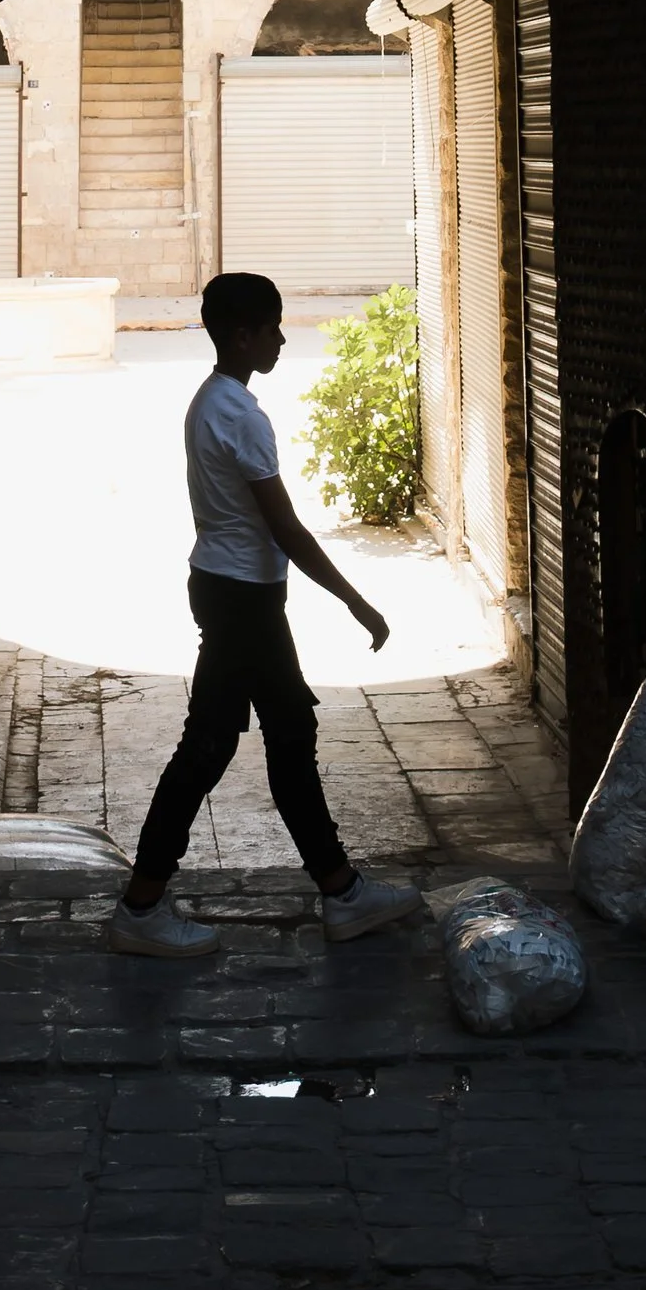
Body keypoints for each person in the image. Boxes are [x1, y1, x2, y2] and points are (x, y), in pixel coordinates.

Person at [109, 270, 423, 960]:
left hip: (230, 590)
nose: (282, 339)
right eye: (273, 328)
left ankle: (340, 890)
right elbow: (287, 529)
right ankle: (142, 907)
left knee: (280, 734)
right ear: (243, 335)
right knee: (213, 747)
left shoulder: (212, 401)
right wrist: (356, 600)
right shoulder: (239, 416)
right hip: (242, 599)